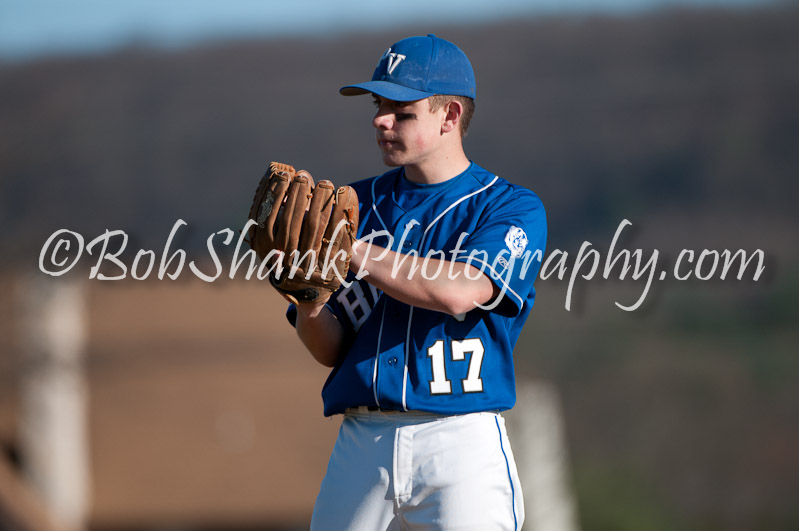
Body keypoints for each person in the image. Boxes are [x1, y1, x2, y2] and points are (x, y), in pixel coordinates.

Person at [287, 34, 546, 530]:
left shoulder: (509, 207)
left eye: (401, 111)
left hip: (460, 443)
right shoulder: (351, 205)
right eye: (380, 105)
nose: (380, 120)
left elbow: (458, 291)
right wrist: (307, 300)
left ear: (450, 116)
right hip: (362, 441)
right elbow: (328, 347)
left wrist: (349, 250)